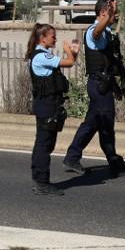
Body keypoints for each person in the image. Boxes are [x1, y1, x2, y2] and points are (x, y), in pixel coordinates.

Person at [63, 0, 125, 177]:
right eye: (112, 13)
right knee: (104, 123)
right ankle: (112, 161)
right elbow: (95, 33)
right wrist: (106, 18)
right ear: (103, 13)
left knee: (95, 122)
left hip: (103, 85)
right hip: (98, 84)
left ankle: (73, 156)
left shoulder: (107, 31)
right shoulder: (95, 31)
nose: (115, 15)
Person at [27, 23, 80, 196]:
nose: (55, 38)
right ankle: (42, 182)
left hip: (49, 104)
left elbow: (70, 61)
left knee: (45, 143)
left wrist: (74, 52)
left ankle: (39, 179)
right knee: (44, 144)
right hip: (46, 105)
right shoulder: (41, 57)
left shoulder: (44, 55)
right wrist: (67, 49)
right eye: (52, 36)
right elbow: (70, 62)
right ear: (43, 38)